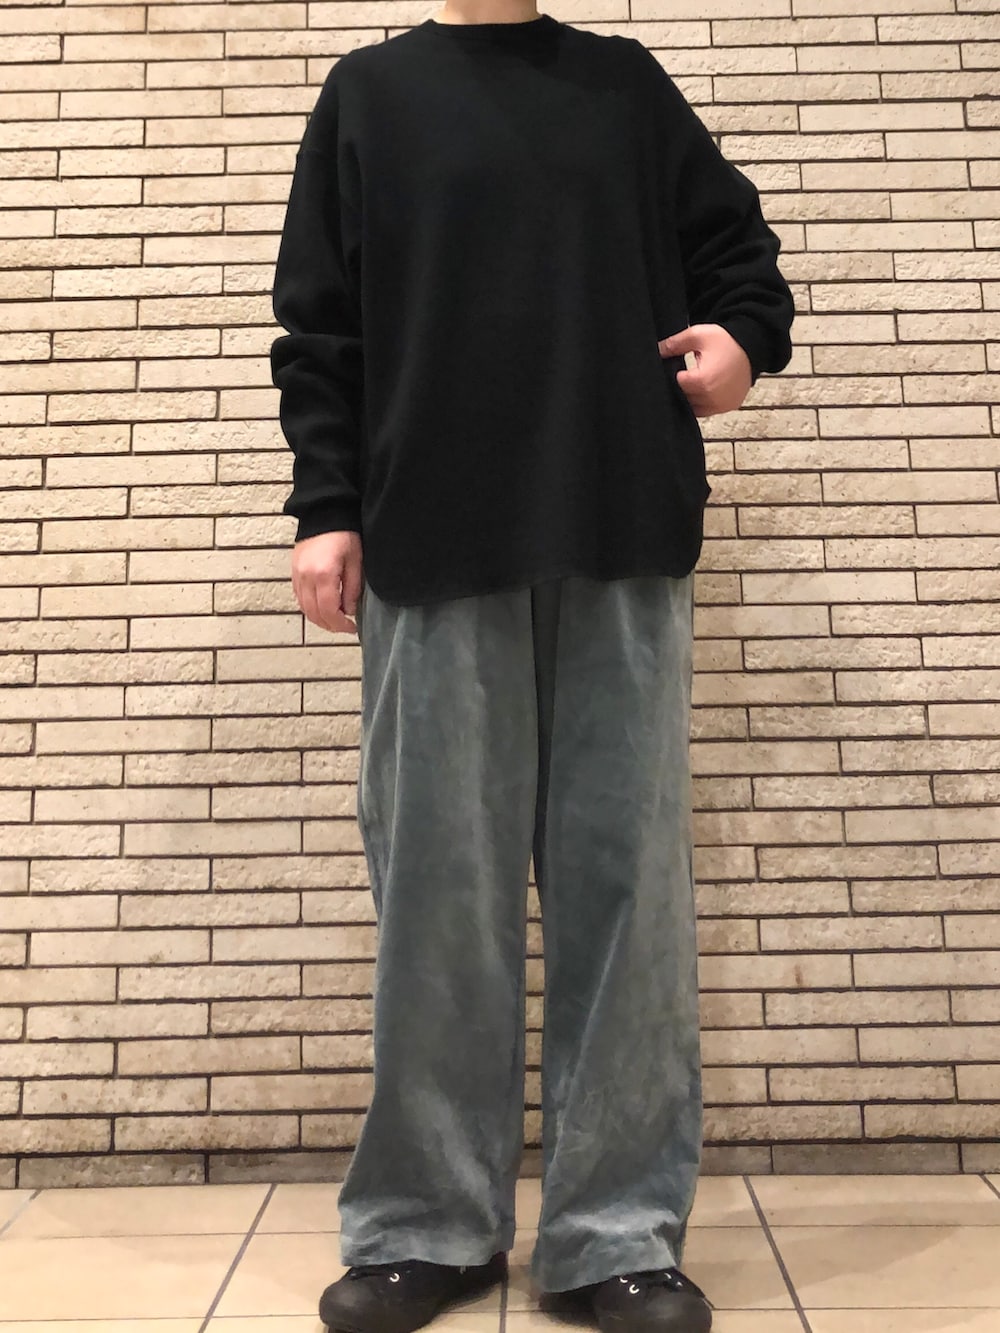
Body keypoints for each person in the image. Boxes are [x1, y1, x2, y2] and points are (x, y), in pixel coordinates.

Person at [270, 4, 794, 1332]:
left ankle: (614, 1236)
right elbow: (320, 326)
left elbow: (737, 252)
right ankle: (426, 1224)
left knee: (629, 893)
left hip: (620, 526)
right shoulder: (370, 96)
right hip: (431, 535)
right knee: (438, 897)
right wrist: (325, 504)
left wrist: (742, 339)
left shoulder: (623, 88)